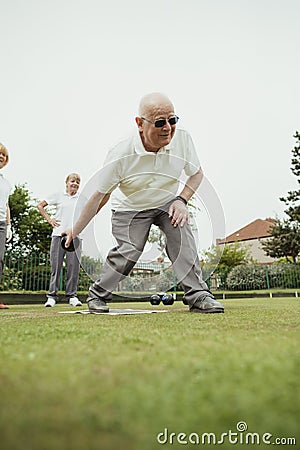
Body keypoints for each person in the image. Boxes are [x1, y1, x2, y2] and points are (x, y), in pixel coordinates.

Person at [63, 93, 224, 314]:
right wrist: (75, 229)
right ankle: (97, 295)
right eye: (159, 122)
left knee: (182, 234)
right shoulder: (120, 153)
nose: (167, 127)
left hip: (167, 201)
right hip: (130, 207)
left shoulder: (183, 139)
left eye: (172, 120)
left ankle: (198, 296)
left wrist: (181, 200)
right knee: (130, 249)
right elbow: (99, 196)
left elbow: (196, 174)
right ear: (140, 124)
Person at [37, 173, 87, 307]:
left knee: (73, 267)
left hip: (75, 237)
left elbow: (88, 214)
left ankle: (72, 296)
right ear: (66, 182)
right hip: (58, 235)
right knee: (56, 267)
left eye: (77, 182)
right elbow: (40, 206)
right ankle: (52, 296)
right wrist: (50, 220)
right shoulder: (58, 196)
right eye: (72, 181)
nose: (75, 184)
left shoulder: (82, 199)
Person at [0, 143, 12, 309]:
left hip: (1, 223)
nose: (1, 157)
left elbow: (6, 204)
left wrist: (9, 226)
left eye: (3, 155)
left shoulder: (6, 183)